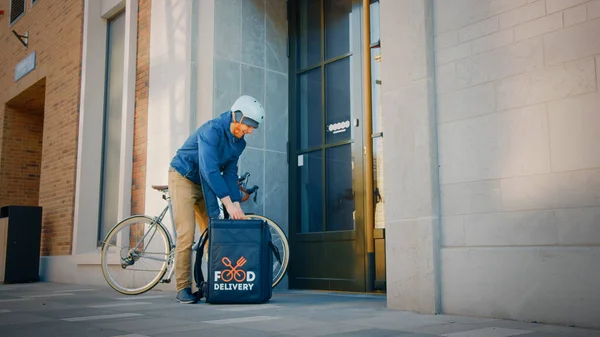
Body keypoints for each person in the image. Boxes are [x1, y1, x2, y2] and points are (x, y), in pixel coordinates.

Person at [168, 95, 265, 304]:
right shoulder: (211, 131)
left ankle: (217, 282)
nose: (250, 130)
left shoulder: (239, 144)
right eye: (249, 125)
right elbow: (210, 169)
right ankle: (183, 287)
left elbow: (229, 173)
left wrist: (236, 204)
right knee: (186, 233)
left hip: (205, 184)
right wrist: (228, 203)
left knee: (212, 234)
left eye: (253, 127)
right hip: (184, 177)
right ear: (237, 116)